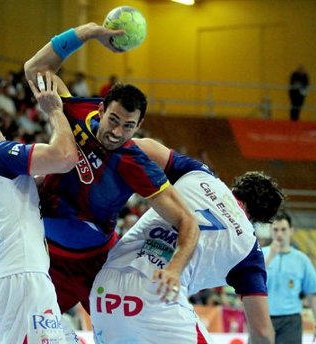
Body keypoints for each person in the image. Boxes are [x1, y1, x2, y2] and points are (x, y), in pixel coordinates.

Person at [24, 22, 199, 313]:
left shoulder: (137, 164)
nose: (117, 132)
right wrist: (89, 33)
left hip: (97, 266)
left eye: (128, 126)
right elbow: (35, 69)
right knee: (30, 329)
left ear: (139, 126)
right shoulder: (77, 112)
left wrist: (175, 269)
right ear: (101, 109)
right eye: (114, 120)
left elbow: (187, 222)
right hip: (47, 255)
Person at [90, 138, 285, 343]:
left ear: (235, 187)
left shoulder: (200, 174)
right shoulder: (248, 247)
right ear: (259, 220)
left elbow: (142, 145)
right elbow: (262, 331)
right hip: (158, 295)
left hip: (105, 290)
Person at [0, 72, 79, 344]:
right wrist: (55, 111)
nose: (6, 138)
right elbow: (65, 157)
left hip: (11, 277)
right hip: (21, 276)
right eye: (1, 134)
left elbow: (49, 175)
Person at [263, 212, 316, 344]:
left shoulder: (302, 260)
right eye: (276, 229)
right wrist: (270, 257)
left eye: (283, 229)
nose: (279, 234)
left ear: (291, 231)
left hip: (290, 322)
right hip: (263, 318)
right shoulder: (260, 255)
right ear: (270, 231)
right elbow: (252, 281)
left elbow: (313, 293)